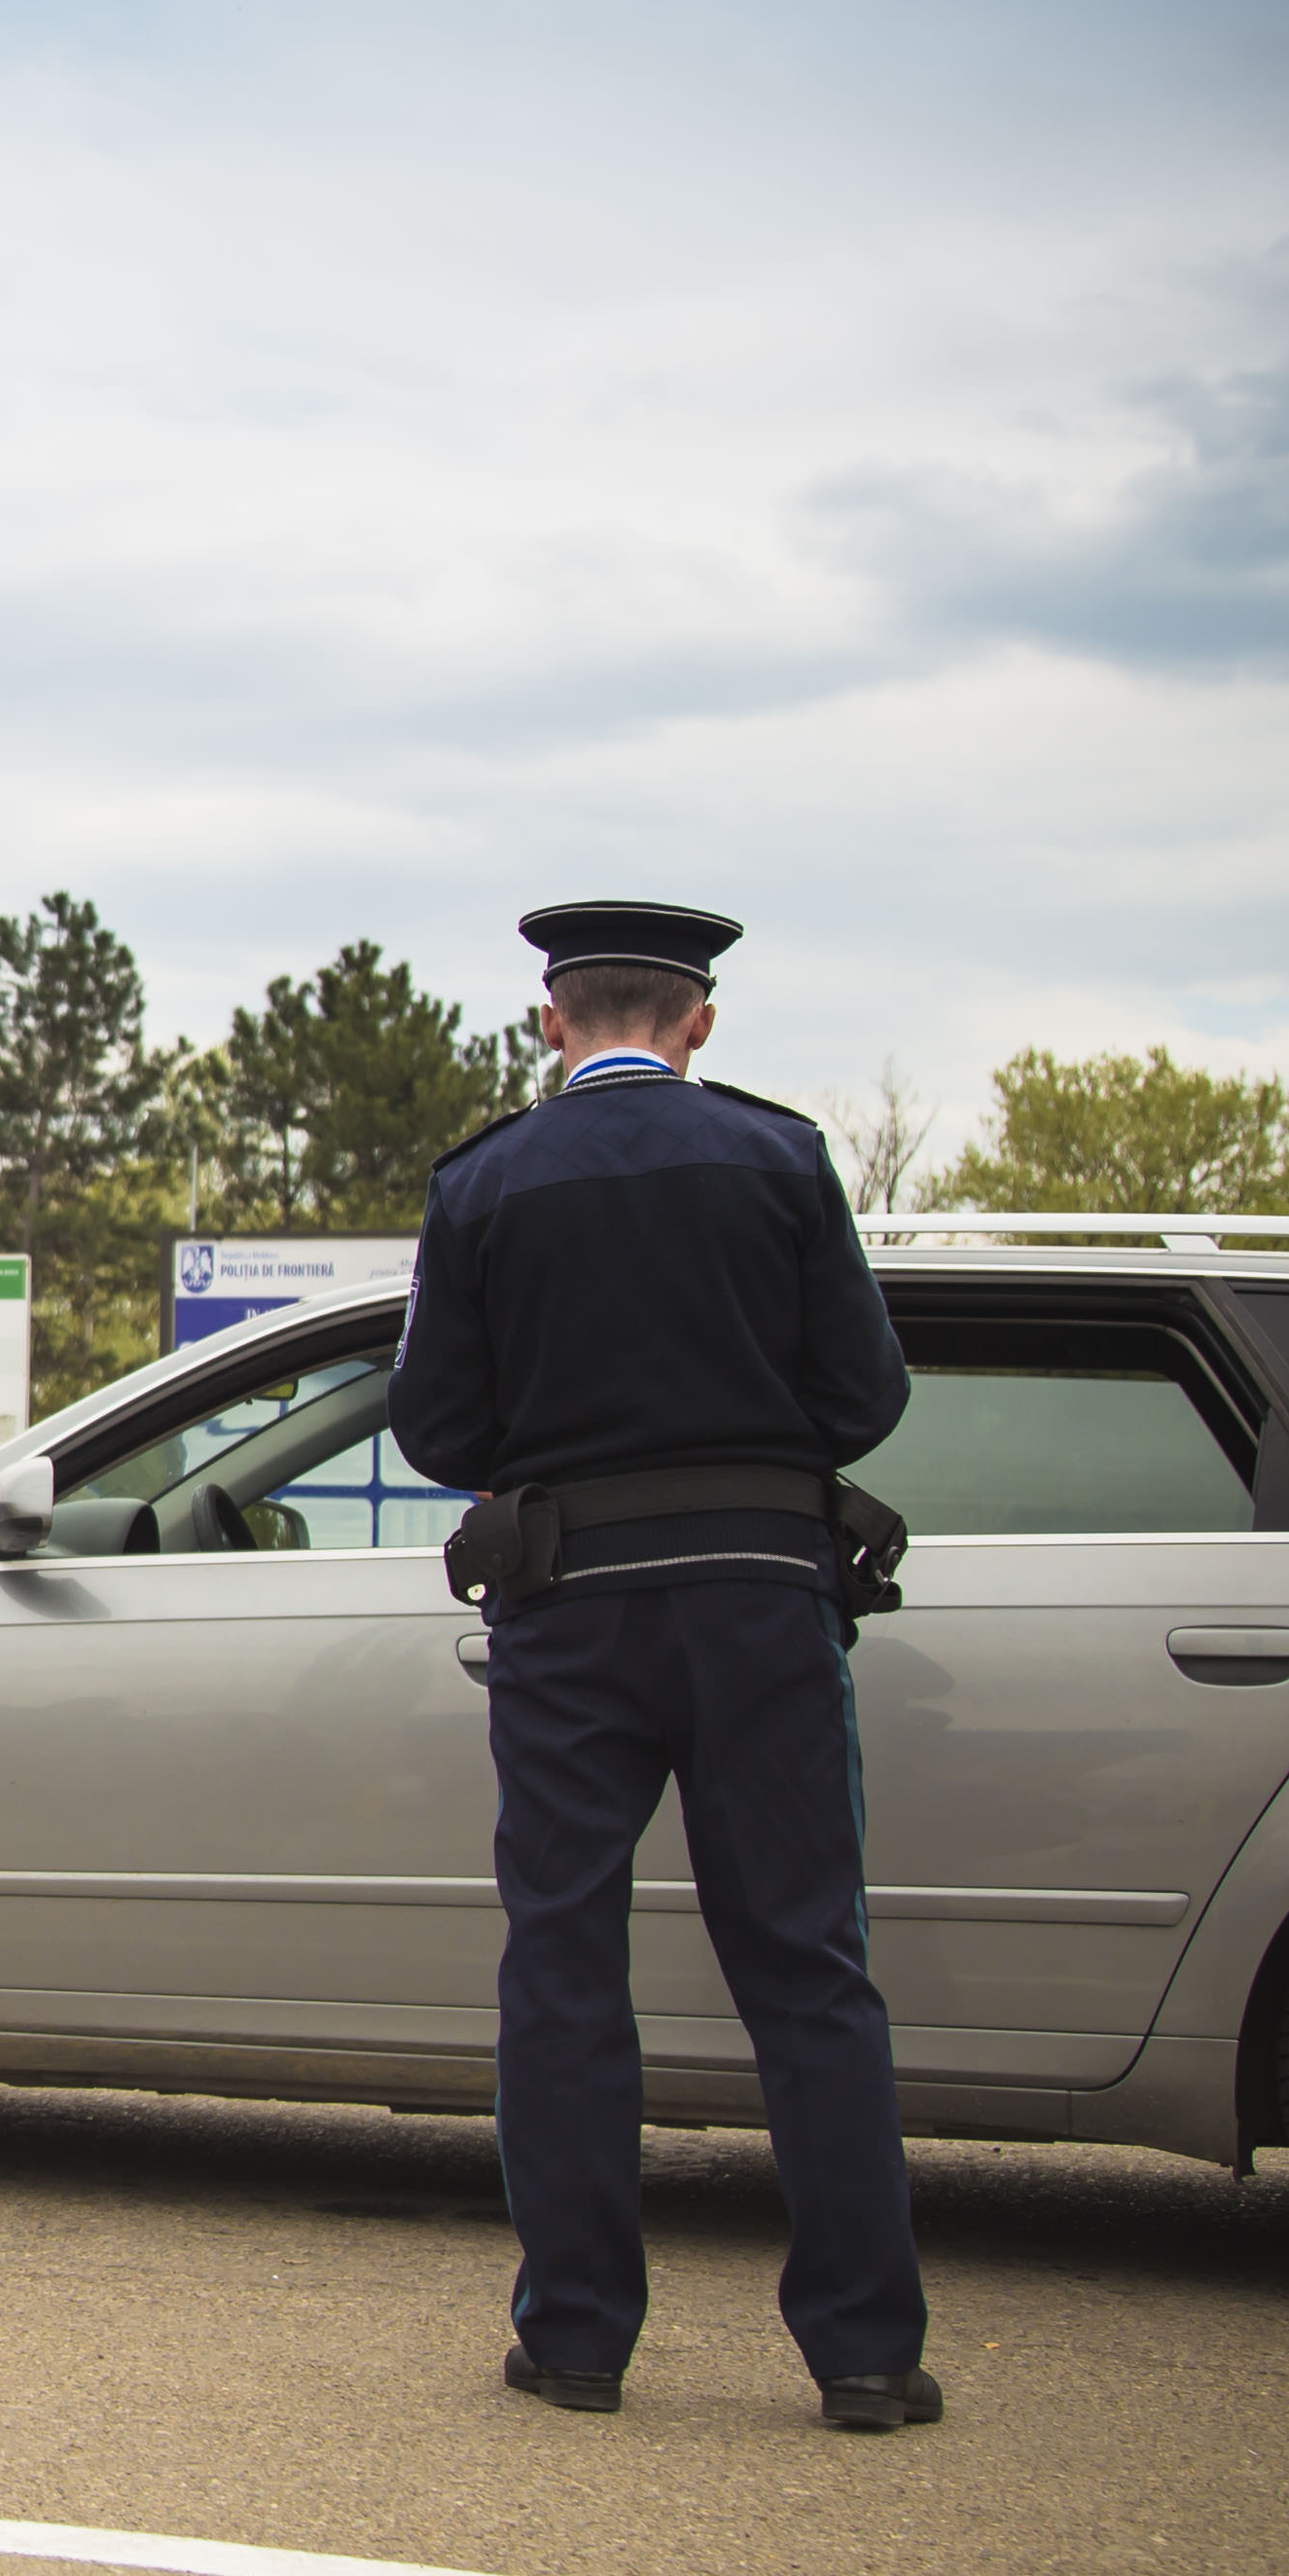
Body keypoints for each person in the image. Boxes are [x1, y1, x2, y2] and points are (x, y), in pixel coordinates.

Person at [389, 901, 939, 2432]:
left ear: (549, 1020)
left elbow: (437, 1426)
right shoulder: (782, 1161)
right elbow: (865, 1391)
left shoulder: (486, 1181)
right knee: (810, 1970)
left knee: (563, 1965)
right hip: (766, 1597)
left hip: (573, 1608)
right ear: (700, 1022)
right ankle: (866, 2355)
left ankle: (574, 2339)